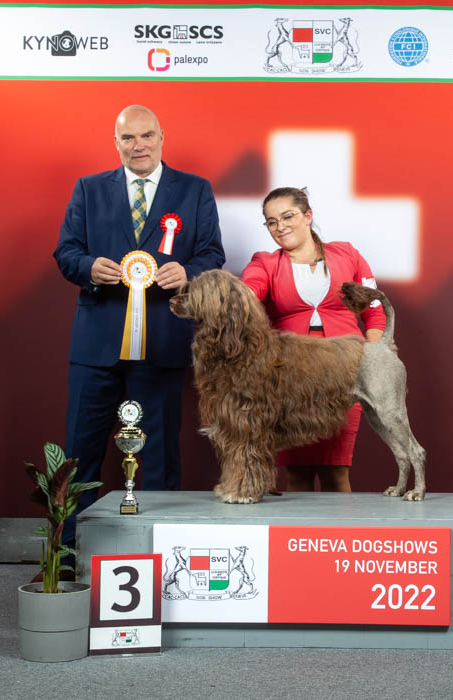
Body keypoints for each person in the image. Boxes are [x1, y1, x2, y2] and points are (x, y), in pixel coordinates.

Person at [54, 105, 225, 553]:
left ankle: (161, 555)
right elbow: (66, 253)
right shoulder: (89, 189)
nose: (138, 146)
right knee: (79, 455)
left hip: (163, 342)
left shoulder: (194, 189)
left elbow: (212, 253)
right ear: (116, 143)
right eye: (128, 138)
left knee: (160, 456)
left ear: (162, 136)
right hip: (96, 345)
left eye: (146, 136)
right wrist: (89, 267)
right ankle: (66, 556)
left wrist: (187, 272)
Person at [241, 187, 385, 493]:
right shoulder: (264, 263)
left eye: (287, 216)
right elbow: (248, 291)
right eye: (271, 222)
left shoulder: (348, 254)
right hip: (290, 378)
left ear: (308, 216)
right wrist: (237, 297)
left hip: (345, 373)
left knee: (337, 471)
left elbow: (374, 310)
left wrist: (372, 358)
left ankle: (339, 527)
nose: (280, 227)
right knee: (297, 473)